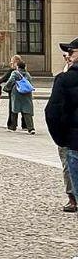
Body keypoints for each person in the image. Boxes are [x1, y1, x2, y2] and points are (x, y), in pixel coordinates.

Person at [45, 39, 78, 218]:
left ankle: (72, 198)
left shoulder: (65, 79)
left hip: (74, 142)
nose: (68, 56)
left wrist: (62, 139)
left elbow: (52, 112)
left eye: (71, 52)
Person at [0, 56, 35, 133]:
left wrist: (6, 88)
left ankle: (13, 127)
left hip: (16, 93)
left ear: (18, 66)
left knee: (14, 109)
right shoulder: (27, 74)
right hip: (27, 93)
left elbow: (10, 81)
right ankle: (30, 128)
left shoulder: (15, 73)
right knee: (26, 110)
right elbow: (30, 82)